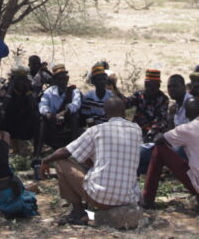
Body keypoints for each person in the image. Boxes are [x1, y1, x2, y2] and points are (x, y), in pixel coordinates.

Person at [41, 95, 140, 225]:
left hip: (101, 198)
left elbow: (66, 152)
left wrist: (46, 160)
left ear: (105, 113)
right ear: (124, 112)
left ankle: (78, 212)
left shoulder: (97, 130)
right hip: (128, 198)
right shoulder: (136, 130)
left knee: (61, 162)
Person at [141, 97, 199, 208]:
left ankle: (147, 198)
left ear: (186, 115)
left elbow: (160, 141)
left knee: (159, 150)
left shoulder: (187, 129)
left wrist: (159, 132)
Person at [36, 63, 81, 155]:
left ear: (67, 79)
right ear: (55, 80)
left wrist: (65, 112)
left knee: (75, 116)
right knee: (42, 119)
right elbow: (42, 105)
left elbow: (76, 104)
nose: (63, 82)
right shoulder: (49, 91)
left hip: (66, 120)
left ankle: (75, 151)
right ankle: (37, 152)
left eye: (64, 79)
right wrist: (48, 114)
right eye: (60, 79)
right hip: (52, 120)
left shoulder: (73, 91)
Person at [0, 67, 39, 154]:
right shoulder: (5, 88)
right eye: (19, 80)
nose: (21, 83)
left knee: (35, 116)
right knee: (1, 116)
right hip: (9, 118)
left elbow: (34, 106)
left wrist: (28, 90)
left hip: (24, 118)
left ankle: (34, 149)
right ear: (13, 80)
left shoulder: (29, 88)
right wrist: (10, 90)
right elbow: (3, 107)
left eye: (24, 80)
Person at [128, 69, 173, 141]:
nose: (148, 88)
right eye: (147, 85)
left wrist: (151, 132)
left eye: (152, 86)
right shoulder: (139, 95)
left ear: (158, 86)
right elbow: (126, 103)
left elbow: (160, 118)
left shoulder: (163, 99)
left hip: (155, 132)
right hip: (137, 130)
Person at [78, 65, 115, 130]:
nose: (102, 82)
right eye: (99, 80)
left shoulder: (111, 96)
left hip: (109, 128)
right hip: (94, 128)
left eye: (104, 79)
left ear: (106, 81)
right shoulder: (88, 97)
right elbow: (88, 117)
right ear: (93, 82)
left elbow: (114, 117)